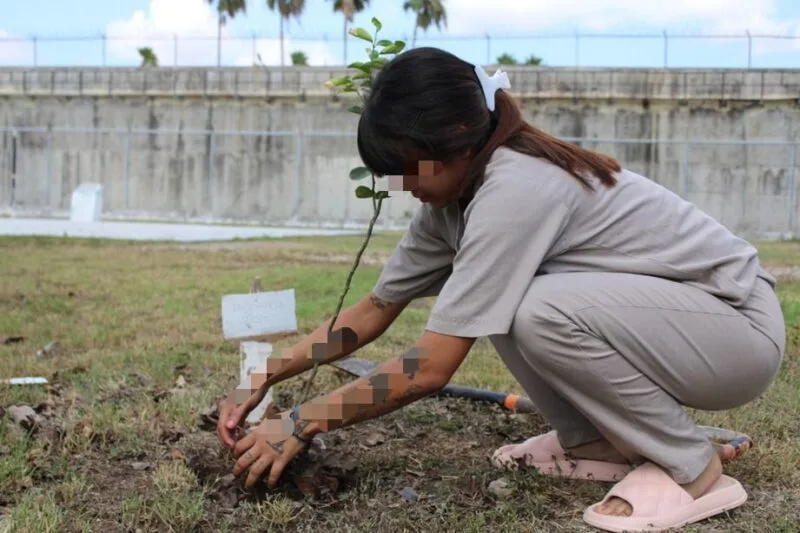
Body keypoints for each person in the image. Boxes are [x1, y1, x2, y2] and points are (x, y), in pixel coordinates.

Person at [215, 47, 786, 532]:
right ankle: (594, 442)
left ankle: (692, 470)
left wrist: (303, 419)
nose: (402, 185)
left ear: (459, 144)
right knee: (515, 301)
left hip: (736, 333)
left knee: (536, 308)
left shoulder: (517, 187)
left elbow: (430, 367)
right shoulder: (452, 201)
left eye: (409, 168)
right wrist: (266, 375)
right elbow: (373, 310)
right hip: (682, 329)